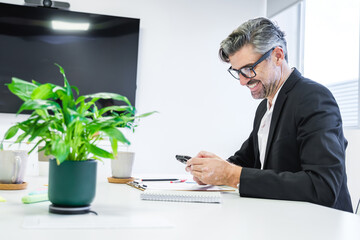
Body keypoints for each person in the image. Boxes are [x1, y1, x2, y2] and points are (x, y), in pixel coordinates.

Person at [185, 17, 353, 212]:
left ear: (278, 56)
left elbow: (322, 186)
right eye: (237, 71)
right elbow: (247, 161)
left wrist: (231, 175)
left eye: (249, 69)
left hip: (321, 226)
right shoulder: (265, 106)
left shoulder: (313, 98)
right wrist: (215, 169)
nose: (242, 81)